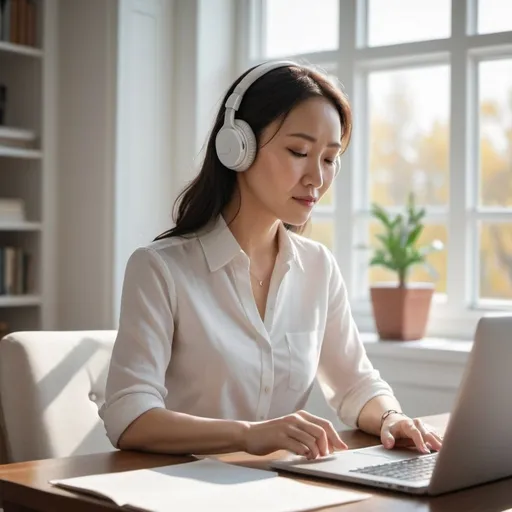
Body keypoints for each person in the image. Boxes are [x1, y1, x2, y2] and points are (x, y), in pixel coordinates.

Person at [99, 60, 443, 460]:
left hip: (283, 490)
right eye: (299, 151)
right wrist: (248, 435)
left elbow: (356, 386)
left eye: (329, 159)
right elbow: (129, 416)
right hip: (186, 492)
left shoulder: (318, 268)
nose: (316, 177)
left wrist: (390, 418)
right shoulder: (160, 269)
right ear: (237, 147)